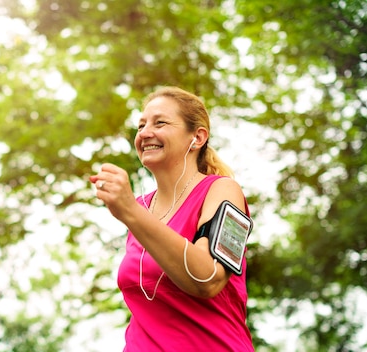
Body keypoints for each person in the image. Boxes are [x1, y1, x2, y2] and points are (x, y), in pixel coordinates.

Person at [90, 86, 255, 351]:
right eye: (141, 125)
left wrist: (131, 213)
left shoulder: (223, 190)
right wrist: (133, 212)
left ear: (197, 137)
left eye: (160, 122)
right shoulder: (141, 208)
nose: (144, 133)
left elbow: (208, 279)